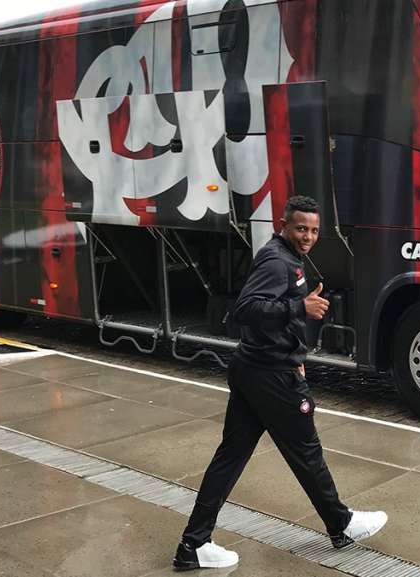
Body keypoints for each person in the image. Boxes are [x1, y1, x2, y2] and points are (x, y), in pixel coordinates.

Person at [173, 195, 387, 571]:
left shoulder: (286, 258)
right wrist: (299, 308)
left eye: (315, 230)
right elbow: (244, 310)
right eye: (301, 228)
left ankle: (194, 545)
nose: (308, 236)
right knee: (306, 452)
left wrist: (296, 354)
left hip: (256, 368)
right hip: (270, 377)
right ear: (282, 226)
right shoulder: (277, 261)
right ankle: (342, 523)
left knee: (230, 458)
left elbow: (272, 321)